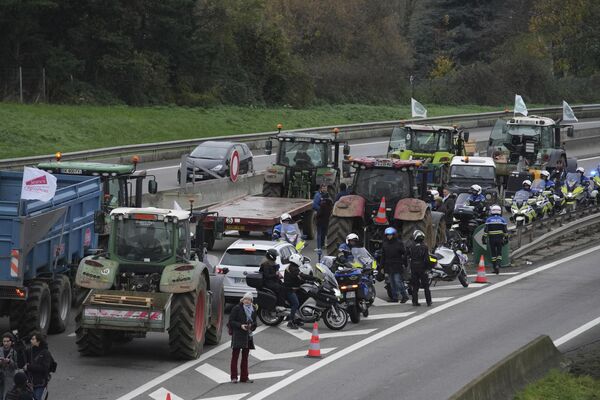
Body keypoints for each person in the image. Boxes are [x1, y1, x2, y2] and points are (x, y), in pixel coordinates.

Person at [228, 292, 257, 384]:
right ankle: (234, 377)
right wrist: (241, 326)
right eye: (245, 299)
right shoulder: (237, 308)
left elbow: (255, 323)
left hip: (248, 336)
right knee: (235, 357)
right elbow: (231, 321)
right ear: (242, 300)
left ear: (251, 301)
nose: (247, 301)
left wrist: (251, 327)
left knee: (245, 357)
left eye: (249, 299)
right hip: (238, 335)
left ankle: (244, 377)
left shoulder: (253, 310)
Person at [283, 254, 315, 329]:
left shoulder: (293, 267)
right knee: (295, 303)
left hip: (295, 289)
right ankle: (290, 321)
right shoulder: (293, 268)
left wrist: (308, 281)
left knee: (303, 297)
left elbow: (299, 279)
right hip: (289, 290)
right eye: (300, 260)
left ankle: (297, 319)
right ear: (296, 260)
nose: (301, 262)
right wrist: (313, 278)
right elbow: (302, 275)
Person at [380, 227, 409, 303]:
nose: (389, 236)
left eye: (390, 235)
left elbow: (404, 254)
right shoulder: (385, 244)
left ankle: (404, 296)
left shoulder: (399, 243)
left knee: (398, 281)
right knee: (391, 283)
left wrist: (405, 264)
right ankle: (394, 297)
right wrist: (381, 267)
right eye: (387, 235)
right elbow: (383, 257)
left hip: (397, 265)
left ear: (394, 235)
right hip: (388, 266)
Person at [408, 230, 432, 307]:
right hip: (422, 267)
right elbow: (427, 259)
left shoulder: (411, 246)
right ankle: (428, 301)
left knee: (415, 285)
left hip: (414, 267)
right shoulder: (424, 247)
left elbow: (406, 256)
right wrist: (428, 268)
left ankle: (415, 301)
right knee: (426, 286)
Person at [24, 333, 52, 400]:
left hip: (41, 383)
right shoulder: (29, 351)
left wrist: (29, 367)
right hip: (30, 383)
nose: (31, 341)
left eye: (33, 339)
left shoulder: (45, 353)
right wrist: (20, 351)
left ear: (38, 341)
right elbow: (22, 364)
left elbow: (44, 368)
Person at [482, 205, 508, 274]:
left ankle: (494, 267)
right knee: (499, 252)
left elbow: (486, 231)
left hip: (492, 238)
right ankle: (498, 265)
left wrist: (484, 238)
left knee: (493, 253)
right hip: (500, 238)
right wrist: (506, 238)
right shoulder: (502, 220)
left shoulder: (489, 220)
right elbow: (505, 230)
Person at [0, 333, 18, 399]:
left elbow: (16, 366)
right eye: (4, 341)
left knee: (7, 396)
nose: (6, 343)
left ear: (11, 342)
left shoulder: (14, 352)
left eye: (8, 341)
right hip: (0, 376)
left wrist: (10, 362)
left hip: (9, 378)